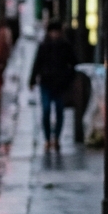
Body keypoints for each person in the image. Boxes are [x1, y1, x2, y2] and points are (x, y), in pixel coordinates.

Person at [29, 21, 78, 151]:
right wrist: (32, 80)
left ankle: (56, 138)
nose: (54, 34)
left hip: (59, 84)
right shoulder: (44, 46)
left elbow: (73, 64)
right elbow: (37, 63)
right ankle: (48, 138)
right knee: (46, 110)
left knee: (59, 111)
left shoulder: (65, 46)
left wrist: (67, 78)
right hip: (47, 83)